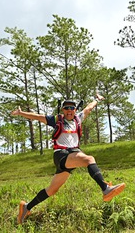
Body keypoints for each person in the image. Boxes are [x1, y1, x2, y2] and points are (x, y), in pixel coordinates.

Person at [11, 95, 126, 224]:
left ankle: (26, 207)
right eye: (66, 108)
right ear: (62, 110)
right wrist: (21, 113)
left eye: (72, 108)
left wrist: (97, 100)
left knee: (52, 190)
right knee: (89, 159)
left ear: (75, 110)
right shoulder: (56, 120)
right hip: (62, 154)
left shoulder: (78, 118)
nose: (69, 110)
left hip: (71, 157)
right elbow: (37, 116)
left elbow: (89, 108)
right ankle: (105, 189)